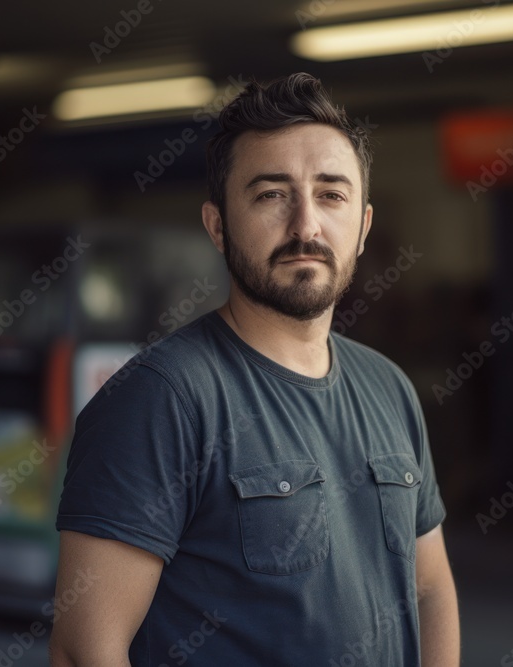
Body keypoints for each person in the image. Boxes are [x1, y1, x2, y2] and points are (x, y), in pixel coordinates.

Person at [49, 72, 459, 666]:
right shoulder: (161, 399)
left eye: (331, 194)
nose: (306, 227)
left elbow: (429, 587)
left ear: (364, 228)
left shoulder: (389, 388)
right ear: (218, 226)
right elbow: (85, 652)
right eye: (271, 194)